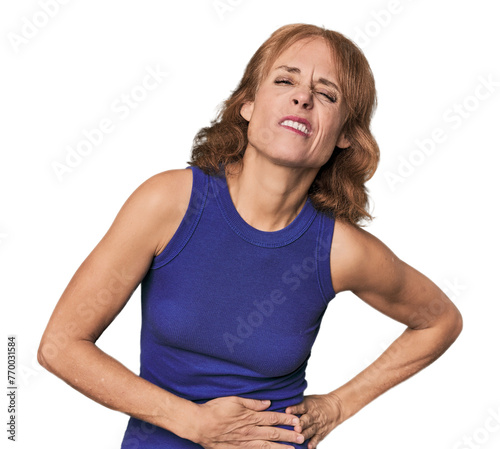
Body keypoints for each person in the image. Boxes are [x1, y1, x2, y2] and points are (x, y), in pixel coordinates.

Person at [37, 23, 463, 449]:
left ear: (346, 135)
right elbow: (61, 346)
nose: (303, 97)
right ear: (248, 103)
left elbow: (439, 320)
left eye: (327, 94)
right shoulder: (167, 203)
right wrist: (192, 422)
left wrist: (338, 405)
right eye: (285, 80)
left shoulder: (339, 250)